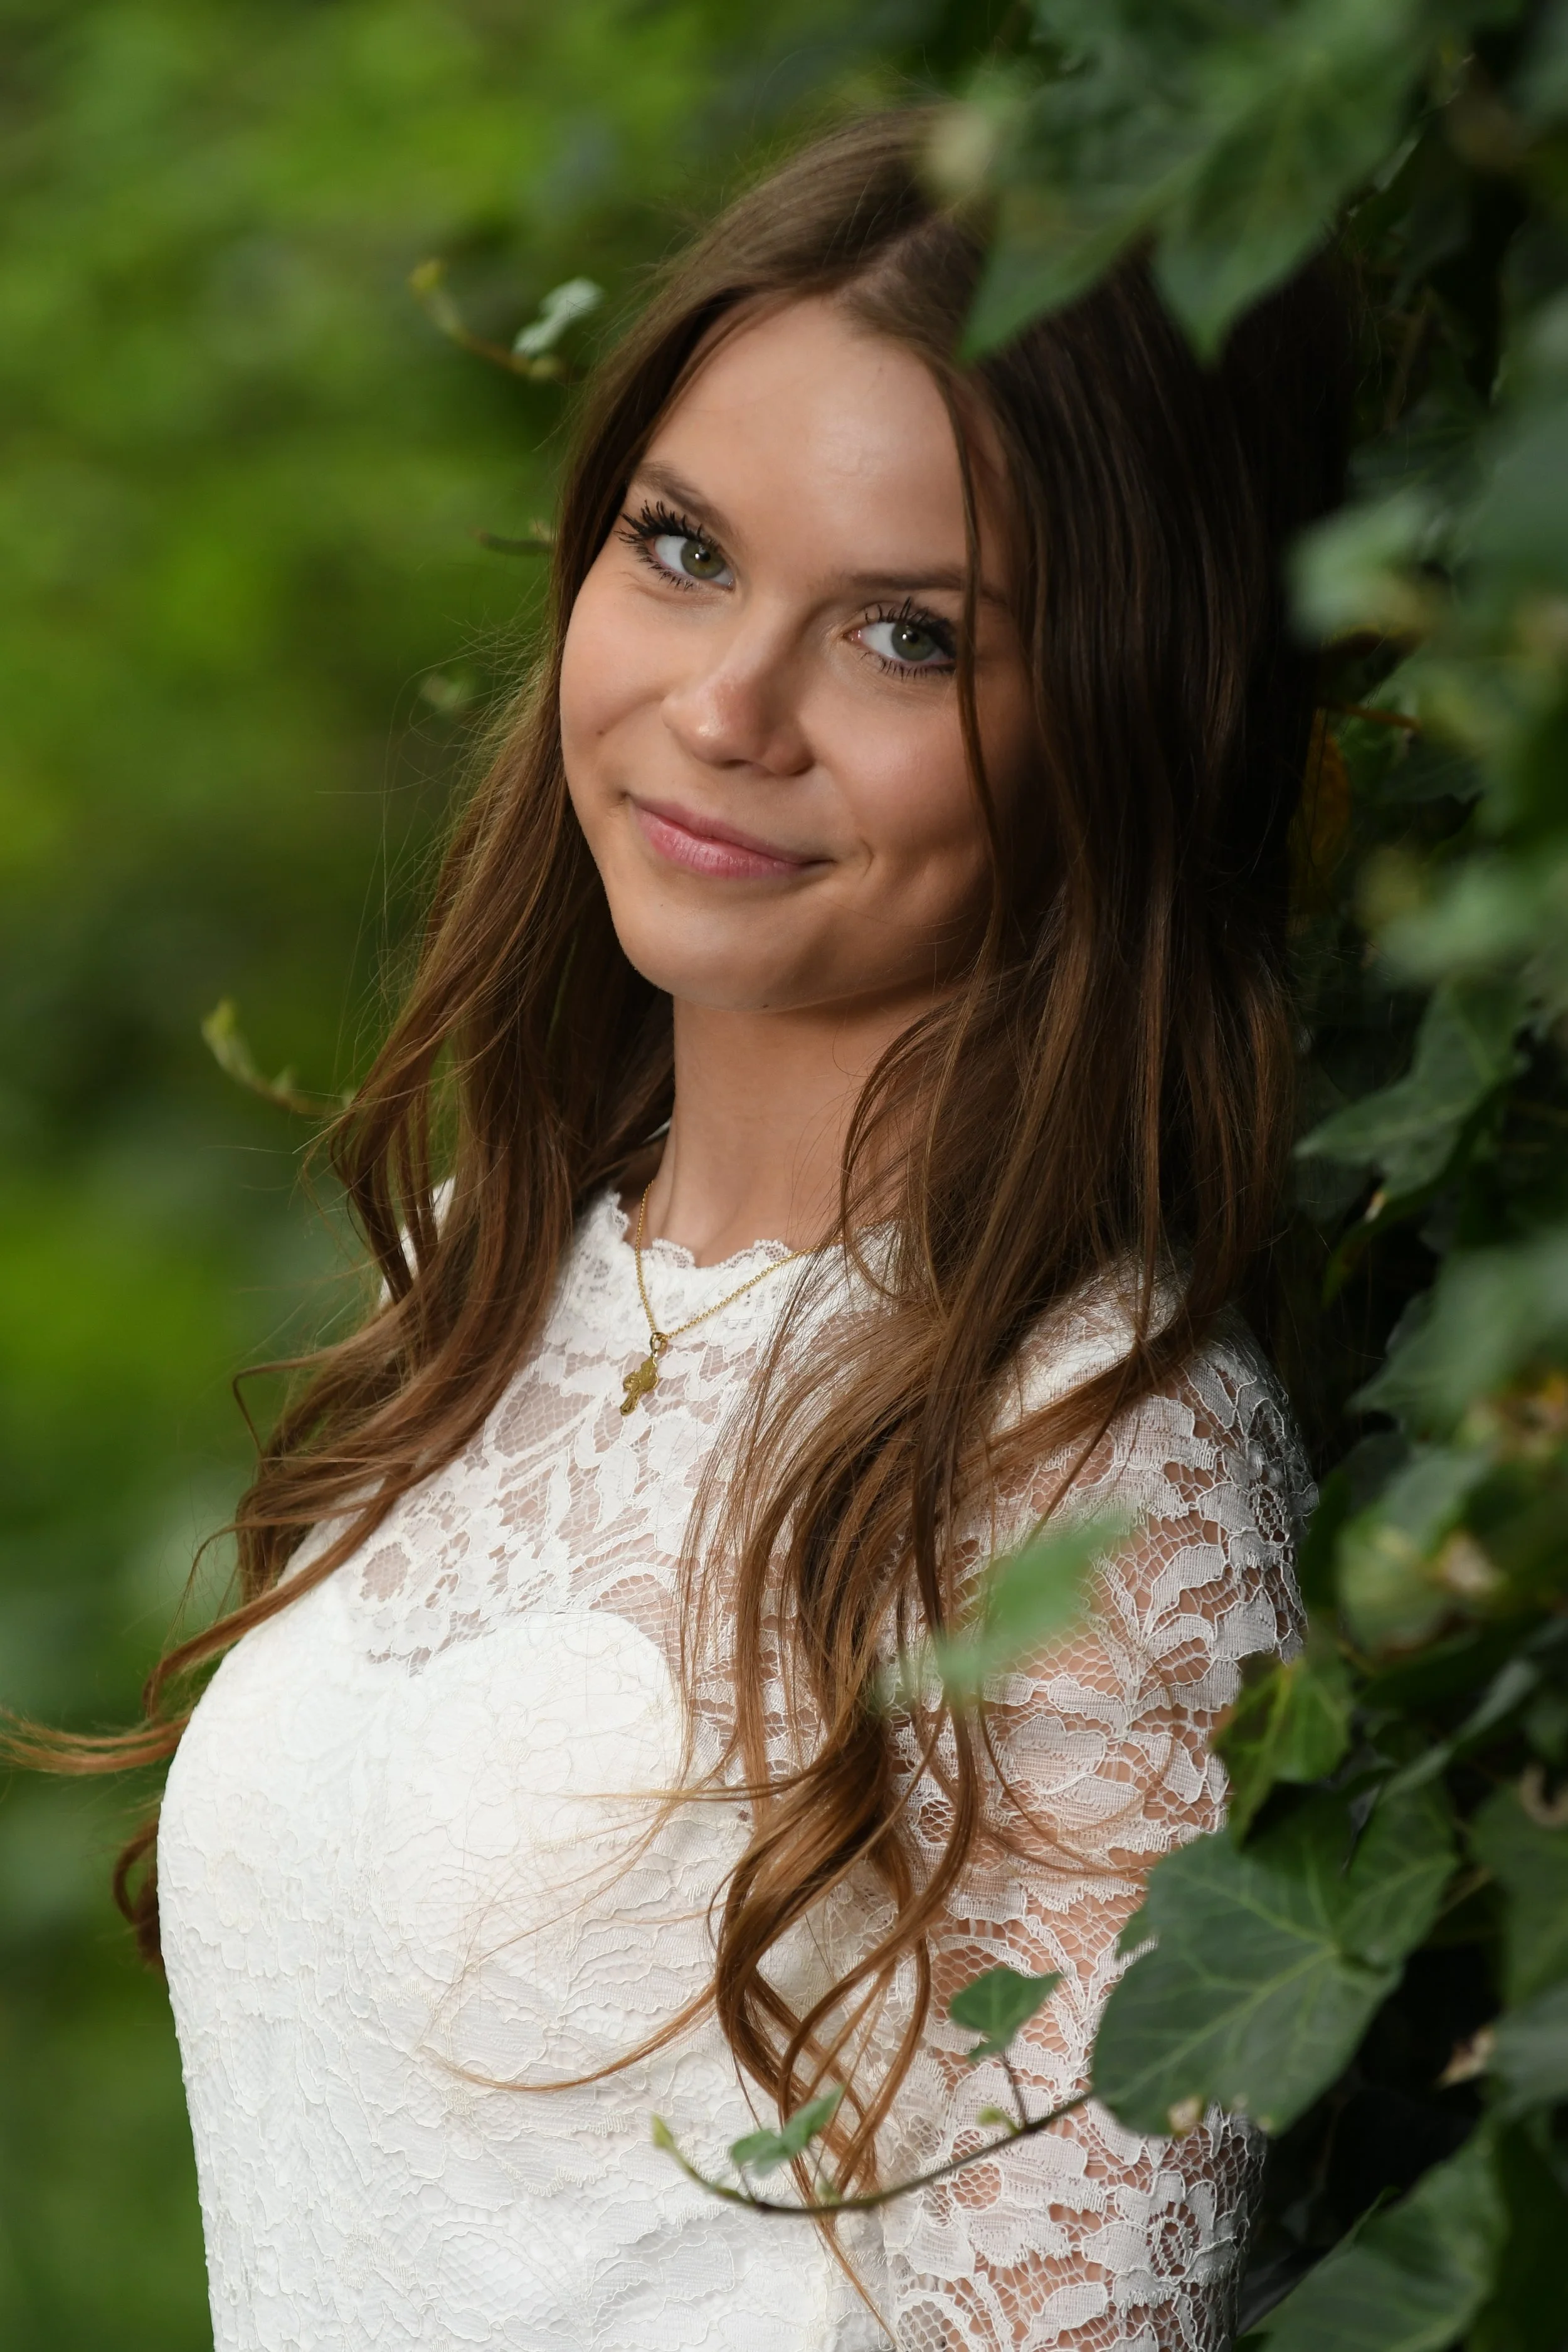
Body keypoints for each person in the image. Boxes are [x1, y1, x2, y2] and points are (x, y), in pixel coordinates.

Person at [23, 112, 1348, 2351]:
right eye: (684, 549)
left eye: (909, 636)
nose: (725, 712)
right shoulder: (473, 1277)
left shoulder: (1090, 1457)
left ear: (1129, 715)